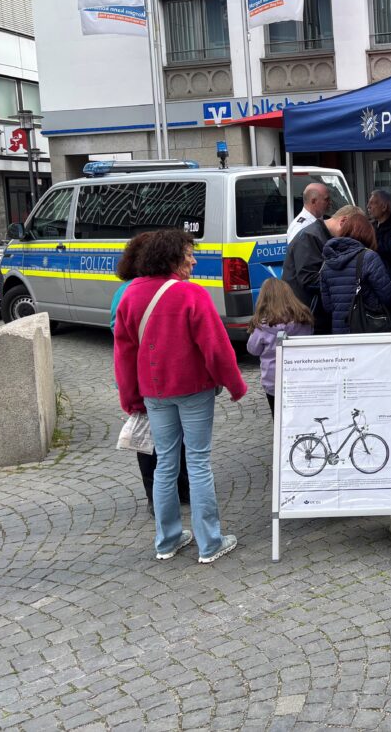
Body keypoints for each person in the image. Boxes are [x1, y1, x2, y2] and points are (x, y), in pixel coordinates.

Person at [114, 229, 248, 564]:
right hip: (193, 390)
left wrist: (131, 397)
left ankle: (167, 540)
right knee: (199, 462)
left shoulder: (131, 295)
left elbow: (124, 354)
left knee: (165, 465)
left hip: (154, 392)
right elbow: (216, 349)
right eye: (189, 253)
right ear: (173, 257)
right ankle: (209, 543)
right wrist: (235, 385)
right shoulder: (192, 295)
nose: (193, 259)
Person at [110, 232, 190, 515]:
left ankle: (180, 489)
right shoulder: (129, 291)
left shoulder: (159, 286)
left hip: (155, 378)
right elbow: (120, 335)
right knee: (149, 443)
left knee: (171, 439)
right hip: (143, 379)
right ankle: (155, 497)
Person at [283, 204, 362, 334]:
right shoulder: (310, 237)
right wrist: (344, 281)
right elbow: (308, 279)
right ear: (343, 221)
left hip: (314, 315)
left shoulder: (321, 235)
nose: (350, 238)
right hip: (307, 317)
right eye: (351, 233)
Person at [319, 212, 391, 334]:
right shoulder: (368, 257)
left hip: (340, 332)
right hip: (367, 329)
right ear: (368, 234)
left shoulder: (327, 262)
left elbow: (328, 306)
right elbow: (389, 297)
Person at [246, 278, 315, 414]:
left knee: (277, 417)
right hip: (300, 376)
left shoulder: (262, 326)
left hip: (273, 381)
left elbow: (253, 350)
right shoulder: (304, 319)